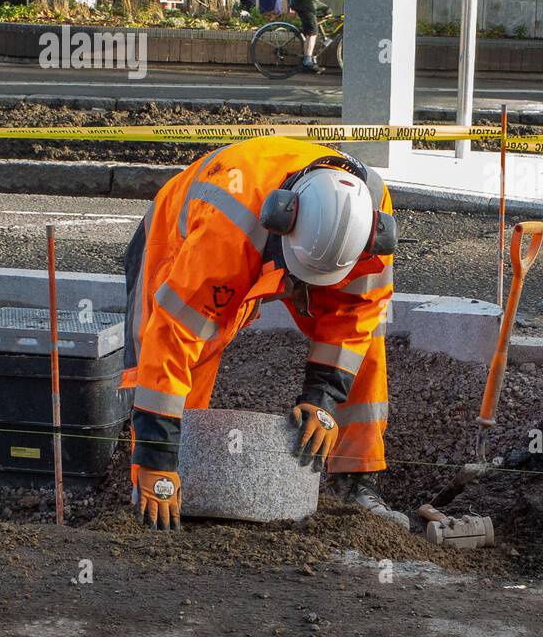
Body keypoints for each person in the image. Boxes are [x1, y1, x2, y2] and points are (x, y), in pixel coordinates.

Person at [120, 136, 404, 532]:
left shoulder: (370, 215)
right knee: (198, 346)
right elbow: (172, 343)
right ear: (280, 222)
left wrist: (322, 399)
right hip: (183, 233)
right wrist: (155, 459)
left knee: (364, 340)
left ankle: (356, 481)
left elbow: (356, 314)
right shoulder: (226, 231)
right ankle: (160, 479)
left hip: (295, 241)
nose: (293, 286)